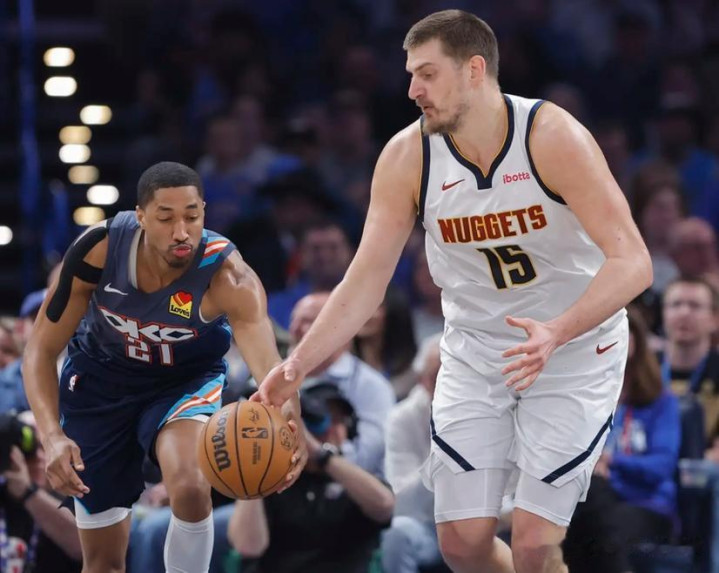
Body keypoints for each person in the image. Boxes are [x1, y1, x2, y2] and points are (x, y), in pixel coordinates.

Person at [254, 10, 652, 573]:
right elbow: (365, 280)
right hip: (476, 350)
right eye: (410, 75)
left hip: (573, 348)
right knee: (462, 546)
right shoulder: (407, 156)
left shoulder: (551, 136)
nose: (412, 90)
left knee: (535, 544)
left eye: (427, 74)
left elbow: (634, 262)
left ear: (473, 70)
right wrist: (295, 366)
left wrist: (557, 331)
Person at [22, 161, 306, 573]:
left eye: (191, 216)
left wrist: (291, 419)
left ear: (204, 212)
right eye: (166, 218)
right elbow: (40, 350)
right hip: (101, 384)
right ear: (140, 217)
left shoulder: (228, 276)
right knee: (102, 562)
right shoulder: (98, 250)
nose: (181, 231)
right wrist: (51, 437)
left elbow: (270, 368)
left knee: (190, 486)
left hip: (182, 382)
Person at [562, 307, 681, 573]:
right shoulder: (581, 398)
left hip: (645, 503)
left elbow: (662, 466)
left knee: (598, 528)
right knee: (572, 520)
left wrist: (610, 461)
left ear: (636, 341)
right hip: (590, 498)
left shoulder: (661, 402)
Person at [229, 383, 394, 573]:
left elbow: (385, 506)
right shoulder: (274, 481)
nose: (331, 430)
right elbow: (248, 547)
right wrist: (255, 469)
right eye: (322, 421)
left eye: (338, 420)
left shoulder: (356, 481)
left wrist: (320, 454)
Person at [381, 334, 445, 573]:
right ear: (422, 380)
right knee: (398, 533)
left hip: (493, 524)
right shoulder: (403, 417)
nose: (448, 384)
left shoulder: (495, 407)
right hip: (430, 525)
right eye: (438, 375)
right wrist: (445, 453)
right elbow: (401, 497)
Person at [1, 410, 83, 573]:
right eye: (29, 451)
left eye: (45, 448)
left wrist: (28, 492)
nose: (39, 457)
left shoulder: (72, 496)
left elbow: (83, 548)